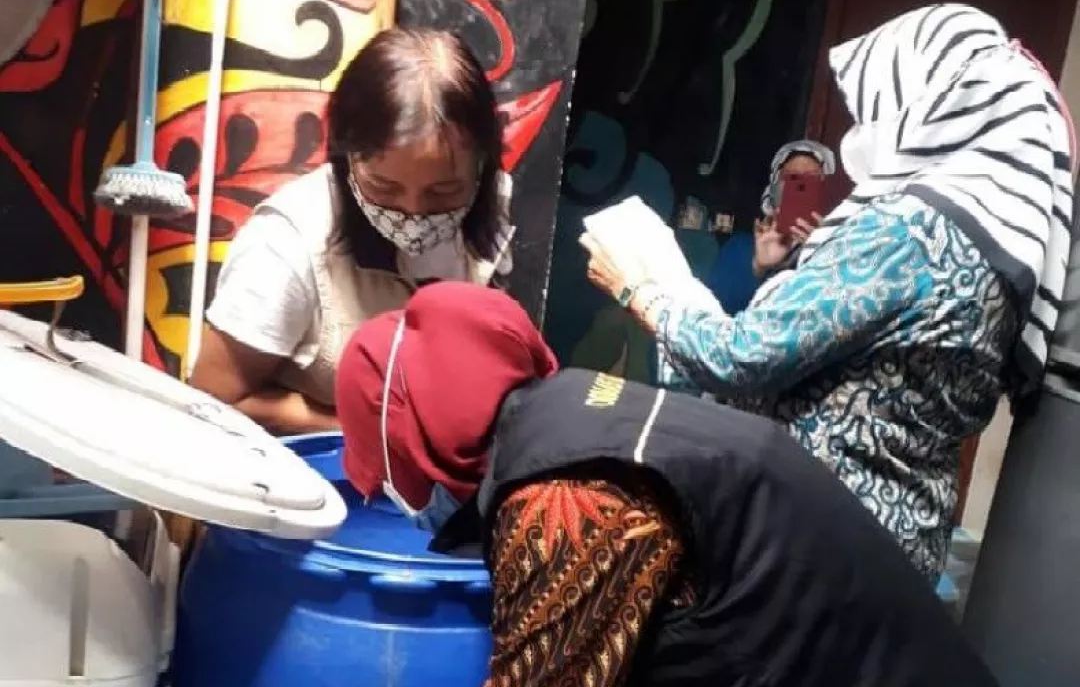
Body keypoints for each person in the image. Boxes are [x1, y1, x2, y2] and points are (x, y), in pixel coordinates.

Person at [581, 3, 1075, 581]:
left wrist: (639, 288)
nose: (864, 128)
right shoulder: (997, 247)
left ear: (931, 102)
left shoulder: (908, 232)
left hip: (812, 550)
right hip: (891, 551)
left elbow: (742, 356)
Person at [333, 281, 997, 687]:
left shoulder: (565, 497)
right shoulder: (575, 409)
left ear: (409, 441)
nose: (395, 497)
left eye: (385, 472)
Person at [189, 27, 513, 435]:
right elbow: (213, 398)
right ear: (348, 159)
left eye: (443, 191)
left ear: (482, 168)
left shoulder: (492, 205)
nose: (413, 212)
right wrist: (367, 432)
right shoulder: (284, 245)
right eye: (384, 187)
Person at [706, 140, 835, 312]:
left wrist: (820, 257)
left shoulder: (836, 252)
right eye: (792, 177)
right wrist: (759, 268)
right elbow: (716, 314)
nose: (801, 186)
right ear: (774, 189)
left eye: (812, 179)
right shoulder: (740, 247)